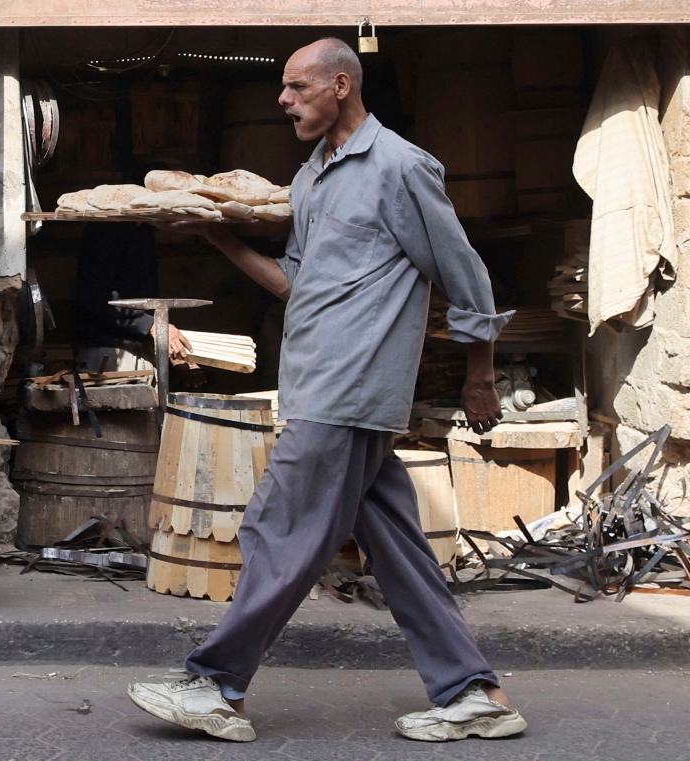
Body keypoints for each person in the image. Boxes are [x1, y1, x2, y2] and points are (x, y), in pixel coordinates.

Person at [128, 38, 526, 744]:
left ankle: (218, 685)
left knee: (278, 528)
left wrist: (480, 372)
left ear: (341, 85)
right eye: (283, 89)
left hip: (351, 388)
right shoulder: (310, 178)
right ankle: (475, 693)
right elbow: (293, 284)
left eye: (297, 87)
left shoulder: (400, 166)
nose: (283, 100)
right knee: (397, 548)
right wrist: (216, 234)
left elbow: (465, 273)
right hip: (321, 383)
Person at [73, 221, 192, 372]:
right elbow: (94, 300)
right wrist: (152, 326)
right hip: (111, 354)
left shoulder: (143, 231)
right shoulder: (106, 229)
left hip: (141, 350)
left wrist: (171, 349)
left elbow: (145, 299)